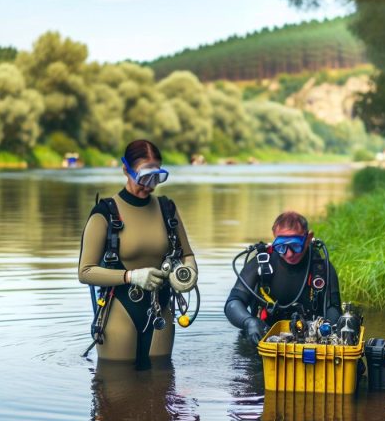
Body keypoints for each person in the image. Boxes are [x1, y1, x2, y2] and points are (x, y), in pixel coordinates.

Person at [78, 139, 198, 368]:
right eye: (144, 177)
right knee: (117, 386)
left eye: (156, 178)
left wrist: (190, 272)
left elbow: (187, 254)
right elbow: (85, 272)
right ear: (126, 170)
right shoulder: (104, 213)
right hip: (119, 310)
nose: (149, 186)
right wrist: (131, 276)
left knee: (162, 383)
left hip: (161, 308)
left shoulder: (167, 209)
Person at [225, 211, 341, 345]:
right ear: (274, 237)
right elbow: (233, 302)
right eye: (281, 247)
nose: (289, 254)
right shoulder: (261, 262)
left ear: (308, 238)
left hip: (310, 342)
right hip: (262, 340)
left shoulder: (320, 268)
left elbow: (334, 308)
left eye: (295, 245)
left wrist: (326, 329)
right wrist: (248, 322)